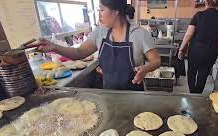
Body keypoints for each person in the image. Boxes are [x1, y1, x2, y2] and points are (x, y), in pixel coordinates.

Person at [32, 0, 161, 91]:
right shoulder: (100, 32)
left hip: (133, 95)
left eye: (102, 9)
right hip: (107, 93)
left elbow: (156, 61)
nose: (99, 13)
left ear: (115, 11)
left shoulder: (139, 34)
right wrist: (53, 47)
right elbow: (79, 53)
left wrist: (145, 68)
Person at [178, 0, 218, 93]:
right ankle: (198, 92)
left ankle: (192, 92)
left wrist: (182, 49)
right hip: (212, 51)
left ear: (206, 3)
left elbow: (188, 35)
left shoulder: (199, 15)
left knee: (192, 71)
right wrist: (216, 46)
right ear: (217, 4)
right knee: (204, 73)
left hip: (196, 50)